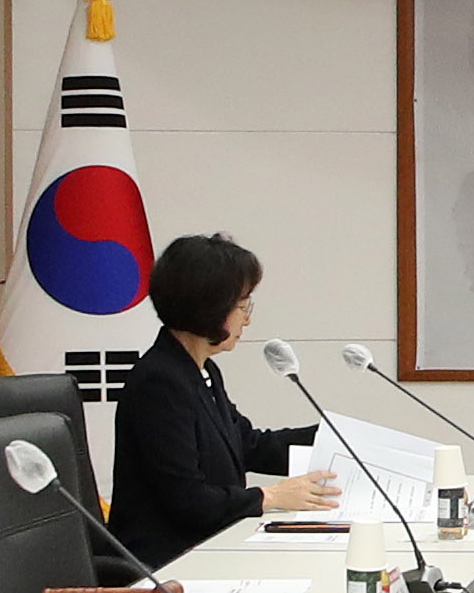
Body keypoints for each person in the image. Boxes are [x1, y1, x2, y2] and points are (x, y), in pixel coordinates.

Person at [109, 232, 342, 570]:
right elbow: (187, 500)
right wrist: (270, 496)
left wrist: (333, 438)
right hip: (167, 565)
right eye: (242, 305)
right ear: (210, 307)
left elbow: (248, 445)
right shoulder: (158, 382)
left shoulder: (202, 371)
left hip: (210, 549)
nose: (247, 318)